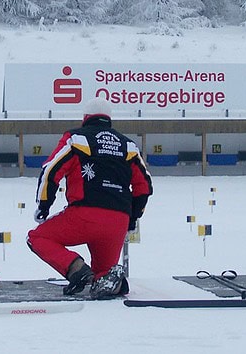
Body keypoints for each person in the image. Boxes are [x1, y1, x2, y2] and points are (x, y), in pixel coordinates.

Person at [27, 97, 153, 300]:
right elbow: (144, 186)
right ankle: (111, 280)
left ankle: (75, 269)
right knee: (102, 277)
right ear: (109, 119)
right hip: (117, 222)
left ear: (85, 117)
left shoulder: (76, 138)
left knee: (37, 237)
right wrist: (132, 218)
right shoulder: (128, 145)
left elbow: (50, 171)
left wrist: (44, 205)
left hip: (84, 215)